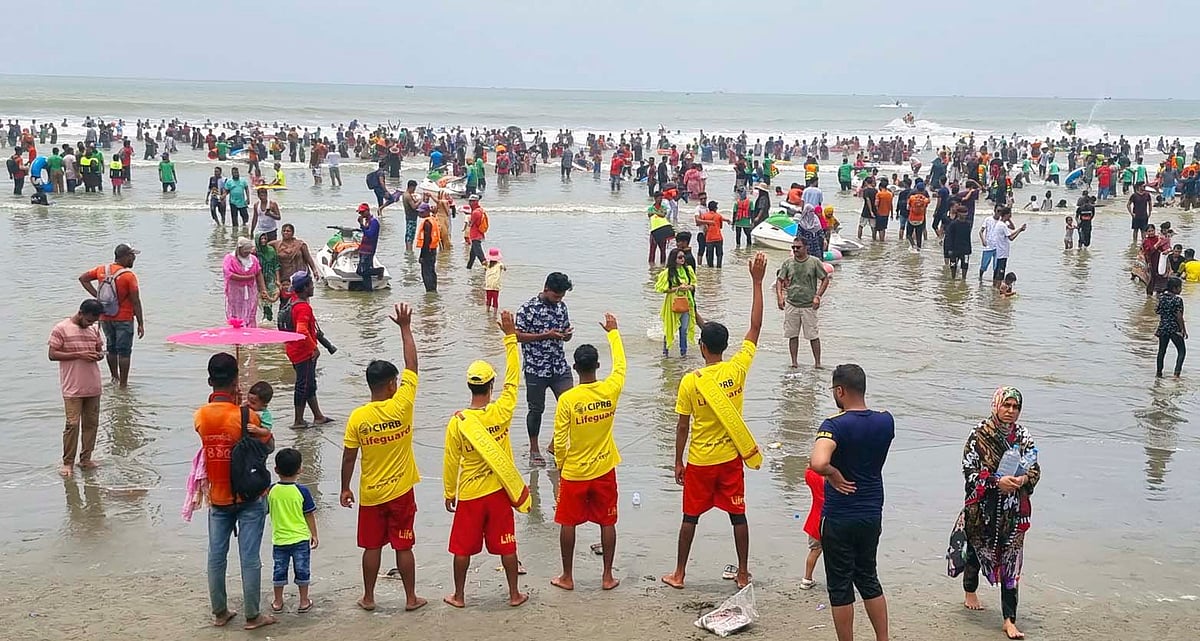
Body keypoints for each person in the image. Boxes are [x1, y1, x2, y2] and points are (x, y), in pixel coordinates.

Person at [661, 253, 767, 591]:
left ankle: (679, 573)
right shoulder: (737, 370)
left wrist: (677, 461)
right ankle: (743, 572)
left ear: (702, 346)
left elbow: (682, 427)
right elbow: (755, 327)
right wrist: (756, 282)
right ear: (723, 346)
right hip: (730, 459)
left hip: (702, 460)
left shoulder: (691, 381)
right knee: (738, 516)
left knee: (689, 518)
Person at [340, 304, 428, 612]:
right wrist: (405, 328)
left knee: (371, 545)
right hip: (401, 491)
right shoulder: (401, 405)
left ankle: (368, 597)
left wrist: (345, 488)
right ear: (392, 384)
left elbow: (349, 457)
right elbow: (413, 365)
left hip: (372, 493)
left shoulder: (358, 417)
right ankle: (410, 598)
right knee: (404, 544)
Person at [442, 310, 530, 608]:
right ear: (492, 385)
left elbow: (451, 461)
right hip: (499, 492)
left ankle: (459, 595)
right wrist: (510, 337)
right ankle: (514, 594)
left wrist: (449, 491)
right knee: (507, 544)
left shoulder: (458, 421)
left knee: (462, 548)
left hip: (469, 492)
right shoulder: (502, 411)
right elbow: (514, 379)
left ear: (470, 386)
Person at [947, 387, 1041, 641]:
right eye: (1006, 405)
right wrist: (995, 483)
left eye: (1015, 407)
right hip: (983, 511)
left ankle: (1009, 620)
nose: (1011, 411)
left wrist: (1022, 480)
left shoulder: (1024, 437)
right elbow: (969, 472)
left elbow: (1035, 470)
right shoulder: (979, 435)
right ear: (996, 405)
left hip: (1013, 514)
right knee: (977, 555)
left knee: (1012, 565)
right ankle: (970, 589)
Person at [809, 364, 895, 641]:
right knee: (868, 578)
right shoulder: (886, 421)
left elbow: (818, 462)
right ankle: (883, 638)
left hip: (839, 515)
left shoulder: (833, 425)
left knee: (840, 586)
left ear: (840, 391)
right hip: (871, 512)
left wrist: (833, 473)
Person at [195, 352, 276, 630]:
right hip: (249, 495)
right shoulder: (246, 415)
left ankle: (220, 612)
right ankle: (253, 615)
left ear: (209, 381)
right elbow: (268, 446)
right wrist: (241, 407)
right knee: (250, 558)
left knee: (216, 557)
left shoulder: (201, 416)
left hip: (217, 497)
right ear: (235, 381)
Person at [550, 313, 625, 591]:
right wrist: (613, 333)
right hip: (604, 468)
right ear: (597, 366)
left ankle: (567, 576)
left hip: (575, 471)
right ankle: (607, 576)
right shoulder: (610, 389)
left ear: (575, 368)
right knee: (607, 521)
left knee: (567, 522)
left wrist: (560, 466)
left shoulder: (568, 399)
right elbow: (621, 366)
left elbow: (559, 439)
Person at [515, 272, 575, 466]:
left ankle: (554, 445)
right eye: (556, 296)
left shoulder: (561, 307)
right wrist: (545, 335)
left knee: (572, 406)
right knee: (536, 409)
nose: (559, 300)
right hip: (536, 368)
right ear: (546, 288)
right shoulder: (527, 309)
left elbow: (565, 331)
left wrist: (566, 336)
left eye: (562, 297)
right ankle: (534, 449)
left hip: (559, 366)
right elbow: (517, 336)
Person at [49, 299, 106, 478]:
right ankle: (68, 463)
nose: (91, 324)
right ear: (80, 313)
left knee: (91, 424)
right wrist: (79, 355)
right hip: (72, 386)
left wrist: (98, 355)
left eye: (94, 321)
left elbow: (99, 350)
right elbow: (52, 354)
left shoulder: (94, 329)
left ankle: (86, 458)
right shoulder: (61, 328)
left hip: (93, 385)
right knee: (72, 425)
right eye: (89, 320)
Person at [79, 243, 144, 388]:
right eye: (132, 256)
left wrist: (98, 298)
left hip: (105, 317)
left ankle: (114, 378)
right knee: (125, 352)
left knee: (111, 348)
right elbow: (136, 301)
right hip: (124, 319)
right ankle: (123, 384)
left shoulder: (102, 270)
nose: (134, 259)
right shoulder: (128, 276)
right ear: (125, 257)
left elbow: (83, 278)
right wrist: (140, 323)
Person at [267, 448, 319, 615]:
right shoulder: (302, 491)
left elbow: (264, 510)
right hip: (300, 539)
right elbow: (309, 514)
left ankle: (278, 601)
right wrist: (314, 534)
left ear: (276, 470)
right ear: (300, 469)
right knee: (302, 570)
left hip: (280, 539)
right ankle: (304, 601)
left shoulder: (271, 490)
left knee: (279, 570)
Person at [283, 271, 332, 428]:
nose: (313, 287)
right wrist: (314, 348)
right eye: (310, 284)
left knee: (309, 383)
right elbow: (302, 330)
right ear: (304, 288)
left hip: (293, 348)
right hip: (303, 351)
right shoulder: (303, 308)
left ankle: (318, 416)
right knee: (303, 385)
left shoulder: (293, 301)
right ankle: (298, 420)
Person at [776, 239, 829, 369]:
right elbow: (779, 280)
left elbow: (825, 279)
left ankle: (817, 363)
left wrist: (818, 296)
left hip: (809, 305)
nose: (795, 250)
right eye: (793, 247)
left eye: (798, 247)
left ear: (806, 247)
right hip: (792, 304)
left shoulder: (814, 262)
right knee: (792, 335)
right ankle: (794, 362)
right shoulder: (788, 263)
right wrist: (780, 296)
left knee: (813, 336)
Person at [655, 248, 699, 357]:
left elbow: (694, 285)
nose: (682, 259)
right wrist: (678, 288)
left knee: (684, 329)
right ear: (674, 259)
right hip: (672, 303)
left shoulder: (688, 270)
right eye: (680, 257)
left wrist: (688, 287)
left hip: (686, 302)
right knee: (669, 328)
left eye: (683, 257)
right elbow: (662, 289)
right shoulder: (667, 272)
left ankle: (683, 353)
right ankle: (665, 352)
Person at [223, 237, 266, 328]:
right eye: (245, 251)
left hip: (251, 290)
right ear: (239, 249)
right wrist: (246, 277)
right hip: (235, 291)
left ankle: (250, 332)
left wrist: (263, 289)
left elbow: (259, 273)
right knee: (236, 312)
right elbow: (229, 274)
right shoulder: (229, 259)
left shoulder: (253, 259)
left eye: (249, 251)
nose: (247, 253)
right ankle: (236, 334)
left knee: (251, 310)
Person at [1155, 277, 1187, 378]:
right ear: (1174, 288)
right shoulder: (1177, 300)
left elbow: (1157, 311)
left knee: (1161, 351)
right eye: (1180, 287)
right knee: (1182, 351)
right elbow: (1179, 316)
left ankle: (1159, 373)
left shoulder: (1161, 298)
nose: (1181, 289)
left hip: (1163, 327)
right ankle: (1176, 374)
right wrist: (1183, 330)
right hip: (1174, 329)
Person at [987, 207, 1026, 289]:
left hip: (999, 252)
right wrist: (1020, 230)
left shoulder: (1000, 224)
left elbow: (1012, 228)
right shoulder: (1002, 226)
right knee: (1000, 275)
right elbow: (1011, 238)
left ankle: (994, 289)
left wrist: (1009, 220)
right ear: (1007, 214)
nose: (1011, 215)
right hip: (1002, 253)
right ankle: (998, 291)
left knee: (996, 272)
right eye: (1010, 214)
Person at [801, 466, 825, 590]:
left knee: (815, 550)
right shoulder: (834, 479)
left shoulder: (811, 475)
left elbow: (809, 468)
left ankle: (807, 579)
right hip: (831, 519)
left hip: (814, 519)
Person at [944, 205, 973, 279]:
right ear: (959, 213)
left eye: (966, 212)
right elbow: (949, 237)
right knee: (953, 265)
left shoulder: (968, 224)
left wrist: (969, 249)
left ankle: (964, 279)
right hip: (954, 248)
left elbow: (968, 237)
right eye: (963, 213)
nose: (965, 214)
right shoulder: (953, 224)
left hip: (965, 248)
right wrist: (949, 249)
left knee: (965, 265)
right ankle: (953, 278)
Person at [357, 203, 381, 292]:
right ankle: (368, 289)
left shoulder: (374, 222)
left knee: (362, 271)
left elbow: (370, 235)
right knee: (362, 272)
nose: (361, 215)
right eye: (360, 213)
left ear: (368, 211)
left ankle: (378, 271)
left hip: (369, 250)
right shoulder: (367, 221)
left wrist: (362, 225)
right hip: (363, 249)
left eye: (363, 212)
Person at [697, 200, 728, 268]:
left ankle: (710, 269)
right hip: (718, 238)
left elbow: (699, 223)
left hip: (709, 239)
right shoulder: (718, 216)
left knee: (709, 255)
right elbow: (720, 227)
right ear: (715, 208)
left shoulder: (704, 216)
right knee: (719, 255)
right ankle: (718, 269)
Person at [648, 192, 675, 265]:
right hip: (654, 230)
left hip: (662, 230)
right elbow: (649, 215)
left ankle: (662, 264)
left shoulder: (663, 208)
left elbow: (663, 214)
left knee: (663, 250)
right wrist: (656, 213)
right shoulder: (650, 208)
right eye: (659, 198)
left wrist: (655, 213)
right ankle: (651, 265)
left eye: (661, 198)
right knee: (652, 250)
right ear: (655, 198)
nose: (660, 200)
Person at [465, 194, 489, 269]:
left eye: (472, 201)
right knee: (472, 254)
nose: (470, 203)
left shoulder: (475, 212)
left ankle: (486, 266)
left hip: (475, 235)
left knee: (479, 253)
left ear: (476, 202)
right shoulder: (480, 210)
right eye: (470, 201)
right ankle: (469, 267)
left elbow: (471, 224)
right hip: (479, 233)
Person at [906, 184, 930, 252]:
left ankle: (913, 245)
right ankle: (918, 250)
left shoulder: (911, 197)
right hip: (920, 219)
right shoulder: (925, 199)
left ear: (916, 189)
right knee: (919, 236)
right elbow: (928, 203)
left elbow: (907, 207)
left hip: (911, 218)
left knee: (908, 234)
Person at [401, 180, 421, 251]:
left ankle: (408, 250)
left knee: (408, 235)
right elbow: (414, 207)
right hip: (411, 218)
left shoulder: (405, 194)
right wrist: (419, 201)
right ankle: (409, 251)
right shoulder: (408, 196)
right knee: (410, 236)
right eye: (414, 188)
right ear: (411, 187)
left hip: (408, 217)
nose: (414, 190)